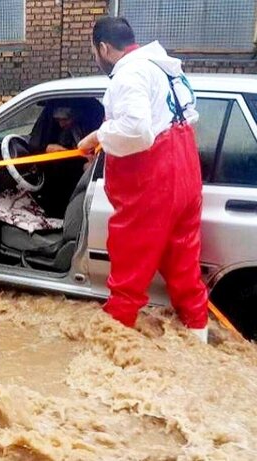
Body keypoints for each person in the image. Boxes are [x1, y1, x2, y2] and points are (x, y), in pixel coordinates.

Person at [78, 17, 208, 343]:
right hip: (186, 172)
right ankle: (198, 342)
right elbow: (186, 116)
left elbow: (137, 131)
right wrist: (106, 138)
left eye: (95, 50)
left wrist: (98, 135)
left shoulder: (129, 74)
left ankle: (112, 354)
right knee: (184, 269)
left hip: (152, 183)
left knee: (128, 275)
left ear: (104, 48)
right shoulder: (166, 68)